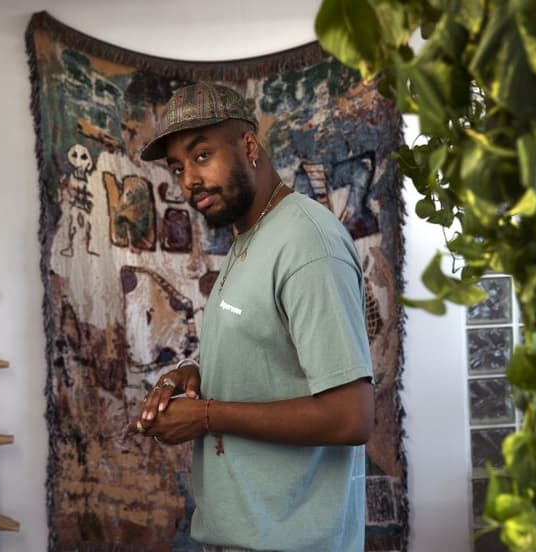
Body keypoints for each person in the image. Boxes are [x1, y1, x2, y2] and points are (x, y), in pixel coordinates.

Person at [130, 82, 375, 552]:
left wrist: (204, 417)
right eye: (178, 168)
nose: (188, 182)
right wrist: (191, 377)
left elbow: (351, 417)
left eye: (202, 156)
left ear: (248, 145)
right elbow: (271, 362)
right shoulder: (249, 237)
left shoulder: (307, 243)